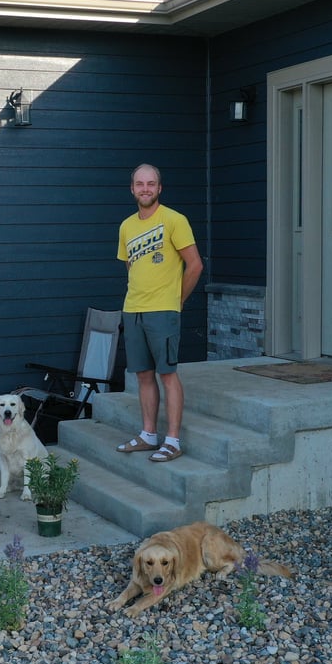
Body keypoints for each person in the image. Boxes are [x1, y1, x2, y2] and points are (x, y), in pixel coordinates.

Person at [116, 163, 204, 463]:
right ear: (132, 188)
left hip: (163, 312)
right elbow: (131, 265)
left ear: (159, 188)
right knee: (143, 375)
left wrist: (176, 301)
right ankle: (149, 434)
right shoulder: (126, 226)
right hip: (133, 310)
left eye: (151, 184)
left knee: (167, 374)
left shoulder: (174, 220)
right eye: (140, 184)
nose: (145, 189)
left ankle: (173, 440)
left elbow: (195, 265)